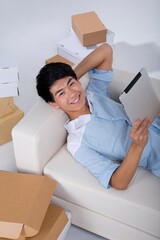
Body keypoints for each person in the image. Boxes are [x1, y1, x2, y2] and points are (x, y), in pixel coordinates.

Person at [36, 43, 160, 190]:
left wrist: (70, 77)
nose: (72, 93)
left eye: (72, 84)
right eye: (61, 93)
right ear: (54, 104)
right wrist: (137, 146)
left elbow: (105, 50)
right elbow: (118, 182)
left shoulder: (95, 92)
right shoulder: (77, 143)